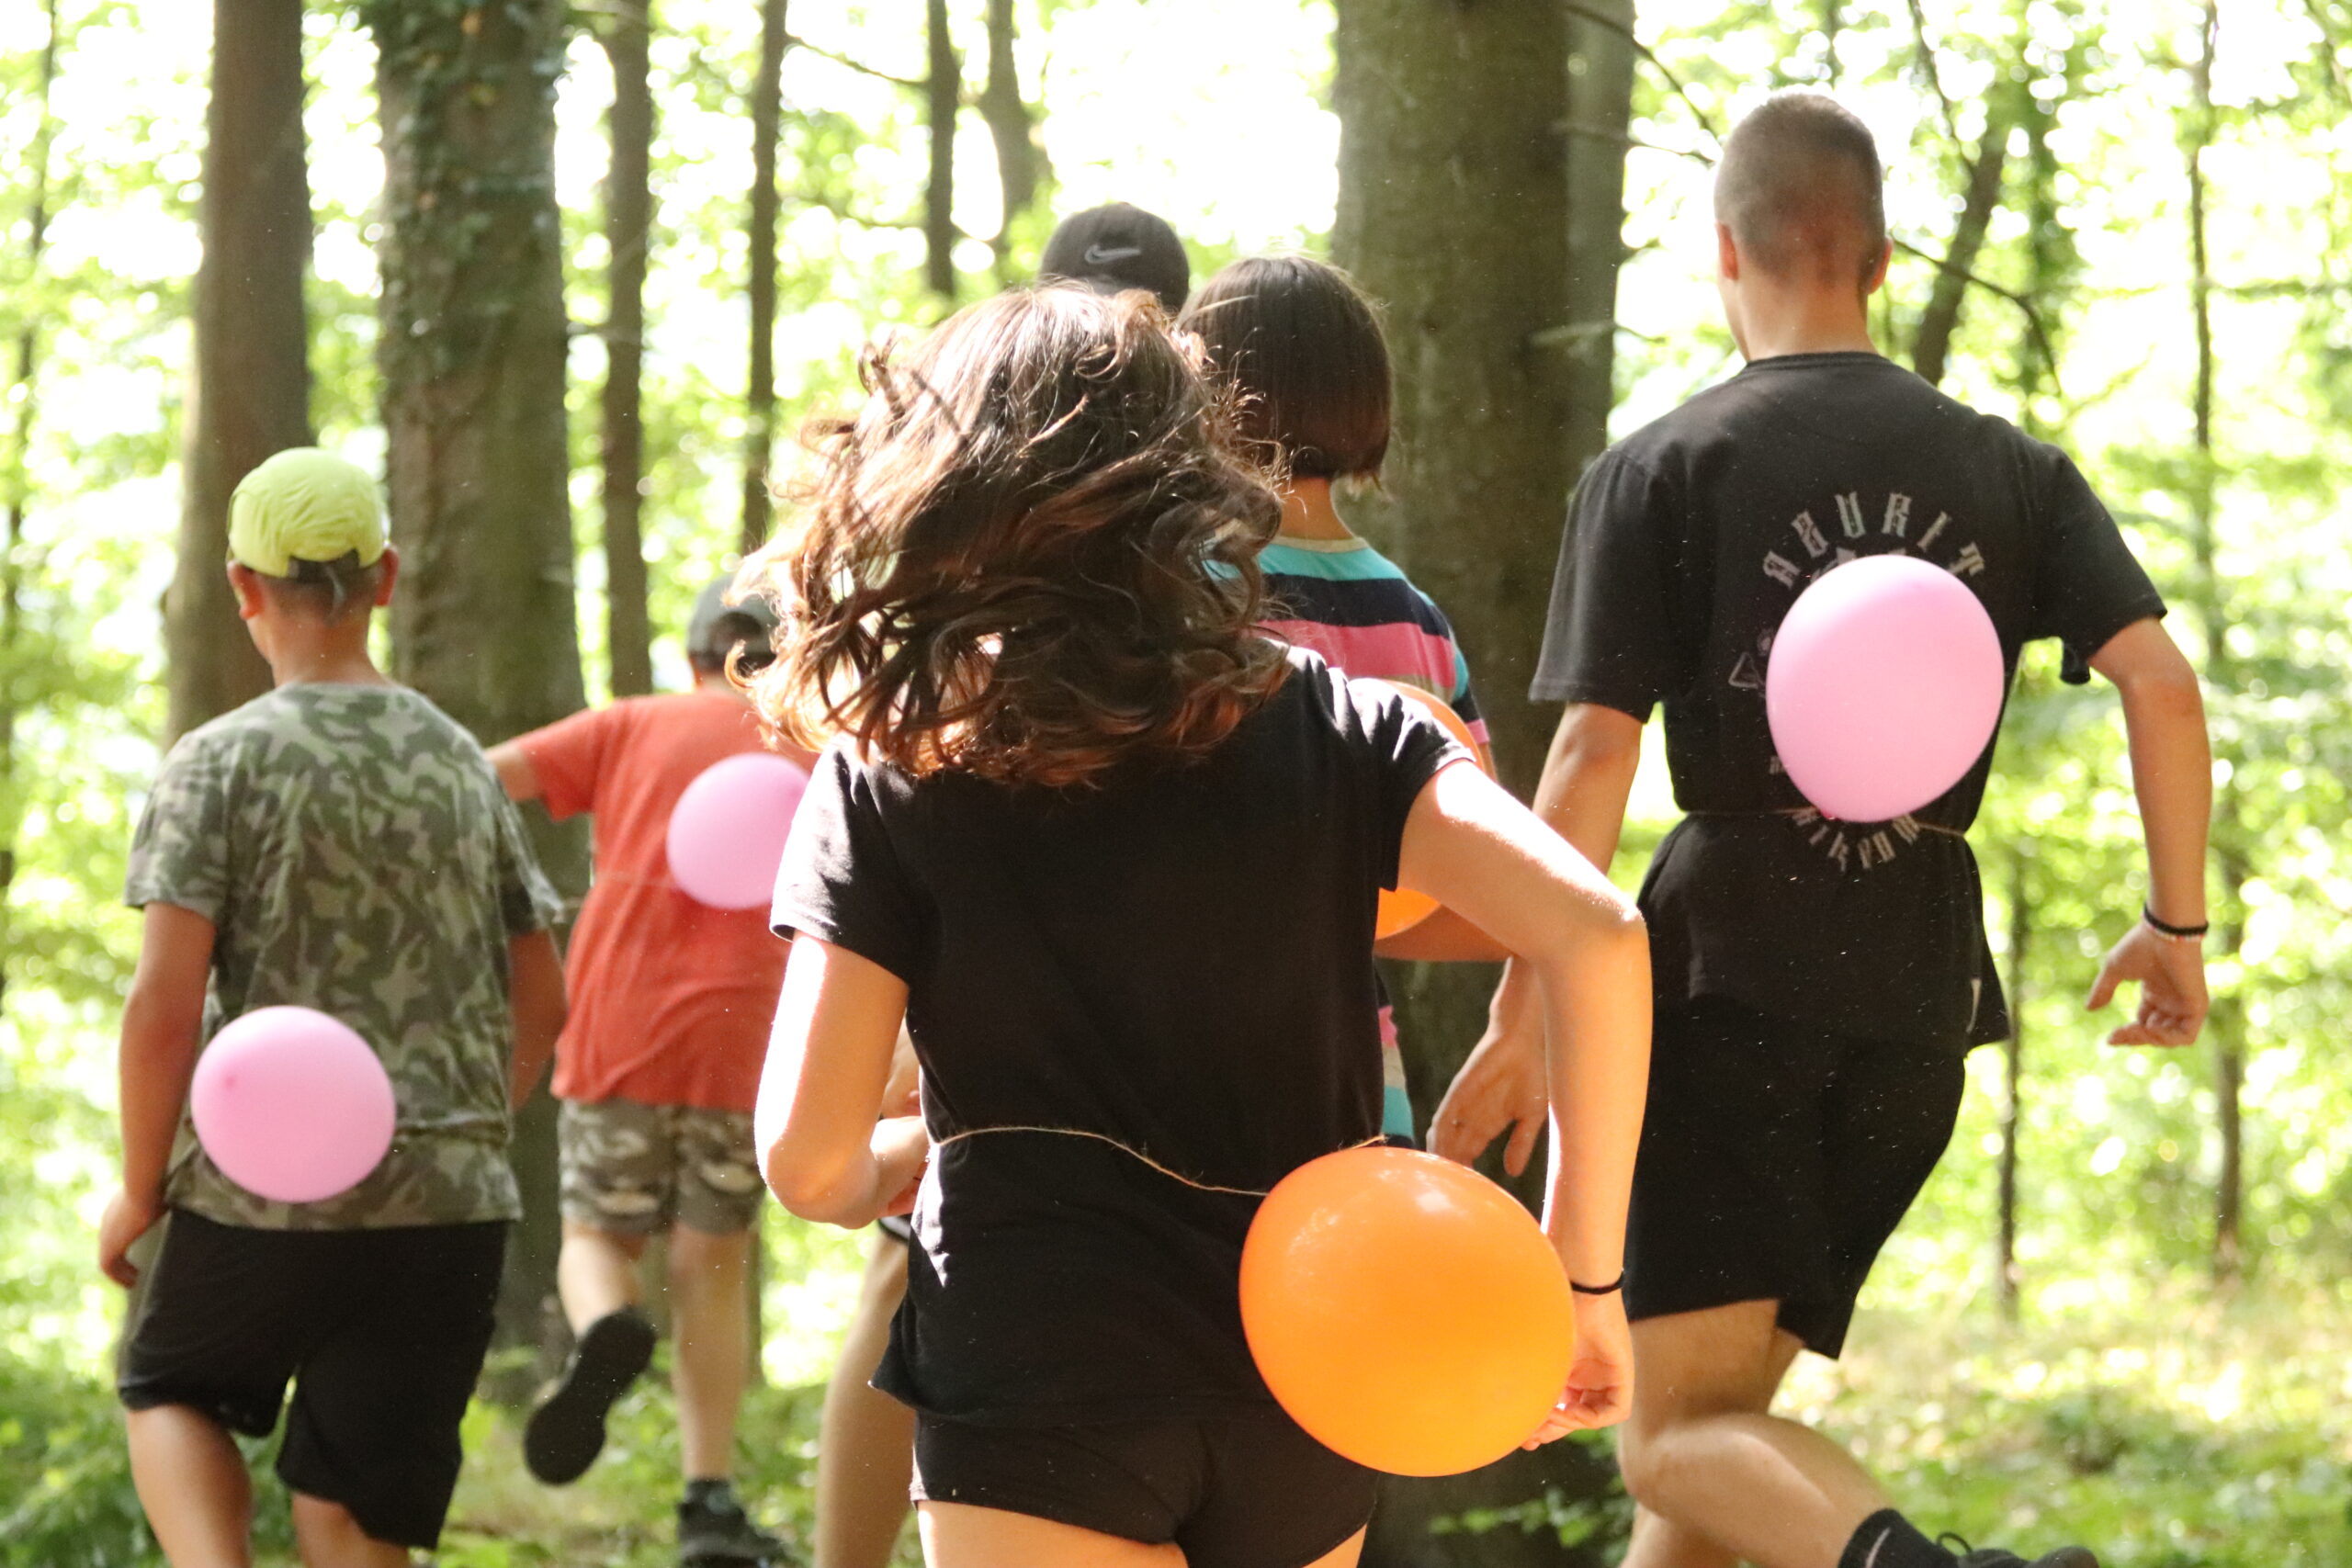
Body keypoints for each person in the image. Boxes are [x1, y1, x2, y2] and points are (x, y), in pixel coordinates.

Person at [751, 285, 1651, 1568]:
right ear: (1190, 474)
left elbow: (805, 1161)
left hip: (1033, 1359)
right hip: (1306, 1351)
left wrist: (908, 1154)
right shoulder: (1346, 723)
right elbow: (1602, 937)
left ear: (946, 486)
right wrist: (1584, 1281)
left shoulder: (899, 757)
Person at [1432, 92, 2212, 1568]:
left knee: (1666, 1435)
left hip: (1726, 987)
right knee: (1709, 1454)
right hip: (1919, 997)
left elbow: (1594, 757)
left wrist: (1523, 1011)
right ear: (1884, 258)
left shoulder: (1663, 466)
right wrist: (2177, 927)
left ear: (1726, 250)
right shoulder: (2011, 468)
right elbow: (2162, 688)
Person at [809, 197, 1197, 1568]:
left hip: (1041, 983)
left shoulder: (1015, 483)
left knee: (938, 1260)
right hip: (1039, 981)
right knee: (925, 1261)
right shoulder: (1184, 515)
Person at [102, 447, 570, 1568]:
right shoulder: (460, 764)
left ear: (242, 587)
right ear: (386, 577)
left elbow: (164, 1003)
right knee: (355, 1512)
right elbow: (542, 989)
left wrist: (139, 1187)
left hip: (262, 1196)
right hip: (448, 1203)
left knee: (171, 1388)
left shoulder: (218, 763)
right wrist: (462, 1132)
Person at [487, 580, 800, 1566]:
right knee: (712, 1263)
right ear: (783, 655)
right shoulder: (809, 747)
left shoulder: (628, 725)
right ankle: (708, 1500)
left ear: (697, 651)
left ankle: (607, 1326)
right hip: (745, 1042)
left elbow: (479, 777)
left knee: (597, 1234)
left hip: (620, 1028)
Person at [1182, 253, 1506, 1145]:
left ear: (1203, 398)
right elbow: (1483, 902)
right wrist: (1343, 901)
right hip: (1361, 1087)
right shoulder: (1419, 624)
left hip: (1192, 1090)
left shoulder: (1185, 594)